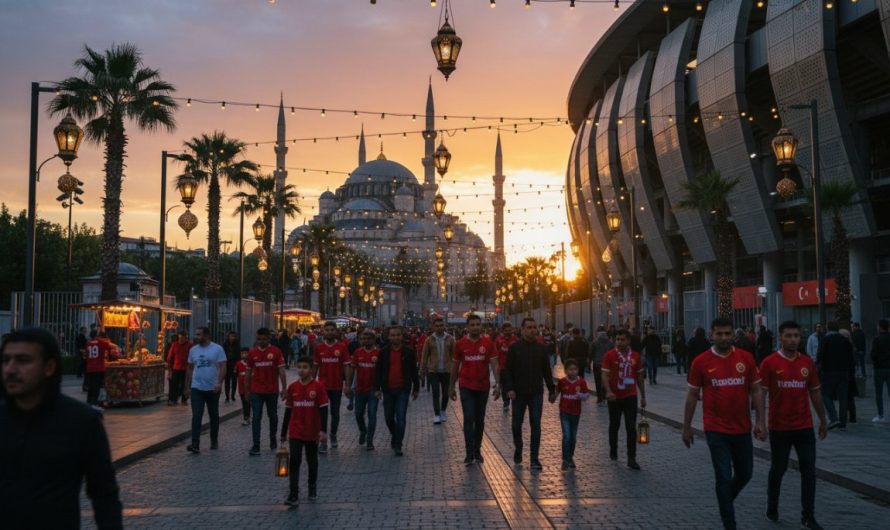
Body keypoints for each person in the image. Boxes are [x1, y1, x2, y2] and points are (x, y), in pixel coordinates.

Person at [0, 327, 122, 529]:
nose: (10, 369)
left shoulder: (82, 422)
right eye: (5, 360)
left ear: (49, 367)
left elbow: (104, 495)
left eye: (23, 360)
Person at [683, 317, 766, 530]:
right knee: (723, 474)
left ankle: (725, 499)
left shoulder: (746, 358)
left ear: (733, 335)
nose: (723, 338)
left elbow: (756, 389)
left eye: (727, 333)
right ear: (711, 334)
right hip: (715, 428)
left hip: (742, 427)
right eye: (719, 334)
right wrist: (687, 426)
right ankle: (729, 522)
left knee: (745, 473)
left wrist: (761, 422)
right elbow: (692, 395)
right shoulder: (701, 362)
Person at [759, 320, 827, 530]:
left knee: (809, 471)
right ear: (780, 337)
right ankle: (772, 505)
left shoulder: (807, 363)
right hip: (780, 427)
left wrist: (823, 420)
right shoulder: (769, 363)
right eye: (788, 336)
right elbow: (761, 393)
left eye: (796, 336)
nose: (792, 340)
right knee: (778, 470)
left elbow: (815, 392)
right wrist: (760, 421)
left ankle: (808, 515)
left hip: (804, 426)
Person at [502, 317, 555, 471]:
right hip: (518, 394)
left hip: (536, 393)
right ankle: (518, 447)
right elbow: (508, 370)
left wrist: (552, 390)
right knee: (516, 425)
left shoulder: (541, 348)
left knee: (536, 425)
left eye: (534, 327)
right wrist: (509, 389)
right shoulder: (514, 348)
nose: (533, 330)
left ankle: (534, 458)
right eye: (529, 327)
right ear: (523, 329)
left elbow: (546, 371)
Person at [449, 314, 499, 465]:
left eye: (478, 324)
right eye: (472, 324)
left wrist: (498, 384)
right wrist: (451, 386)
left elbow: (495, 364)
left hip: (483, 386)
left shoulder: (488, 343)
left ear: (481, 325)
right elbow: (455, 366)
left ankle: (477, 449)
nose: (475, 327)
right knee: (469, 418)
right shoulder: (460, 344)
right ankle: (469, 452)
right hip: (466, 386)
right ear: (467, 327)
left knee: (480, 420)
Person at [280, 356, 329, 507]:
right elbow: (288, 411)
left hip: (312, 430)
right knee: (294, 460)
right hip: (295, 430)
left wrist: (323, 431)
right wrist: (283, 433)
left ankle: (312, 486)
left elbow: (323, 409)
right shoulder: (292, 387)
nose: (301, 370)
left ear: (311, 370)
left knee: (311, 460)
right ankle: (293, 493)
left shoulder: (318, 387)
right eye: (299, 367)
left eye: (305, 367)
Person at [601, 328, 646, 470]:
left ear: (628, 341)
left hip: (630, 396)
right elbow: (604, 375)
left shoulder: (636, 357)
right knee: (614, 425)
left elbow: (639, 378)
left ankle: (631, 458)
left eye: (622, 339)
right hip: (614, 397)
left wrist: (643, 396)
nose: (619, 342)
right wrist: (608, 391)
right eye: (617, 340)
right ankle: (613, 449)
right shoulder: (609, 355)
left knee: (631, 427)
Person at [374, 326, 419, 456]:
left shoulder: (409, 352)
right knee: (388, 417)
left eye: (398, 335)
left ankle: (398, 444)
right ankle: (395, 435)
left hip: (403, 390)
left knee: (401, 418)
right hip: (387, 389)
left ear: (402, 336)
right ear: (389, 337)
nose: (395, 337)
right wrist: (377, 388)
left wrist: (416, 388)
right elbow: (378, 371)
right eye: (393, 335)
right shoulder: (383, 352)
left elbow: (413, 371)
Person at [185, 327, 227, 453]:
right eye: (196, 334)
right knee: (196, 415)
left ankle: (214, 439)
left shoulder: (217, 349)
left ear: (206, 335)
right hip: (197, 388)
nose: (196, 336)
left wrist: (219, 383)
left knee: (213, 415)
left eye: (199, 334)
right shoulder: (193, 350)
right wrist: (187, 387)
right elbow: (190, 368)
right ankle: (195, 443)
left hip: (213, 388)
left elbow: (223, 366)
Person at [246, 327, 287, 455]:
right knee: (256, 417)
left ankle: (273, 437)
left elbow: (281, 371)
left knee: (273, 416)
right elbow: (247, 373)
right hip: (256, 391)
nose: (261, 342)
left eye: (264, 339)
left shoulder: (276, 351)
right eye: (258, 339)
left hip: (272, 390)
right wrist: (247, 391)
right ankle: (256, 445)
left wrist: (284, 388)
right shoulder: (252, 353)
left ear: (269, 339)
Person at [312, 321, 349, 453]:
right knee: (322, 415)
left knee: (335, 413)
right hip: (322, 387)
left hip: (337, 386)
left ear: (336, 331)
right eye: (327, 330)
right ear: (323, 332)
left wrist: (347, 384)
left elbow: (346, 366)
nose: (329, 332)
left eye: (332, 330)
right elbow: (315, 366)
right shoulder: (319, 348)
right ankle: (323, 440)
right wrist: (311, 383)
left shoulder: (342, 347)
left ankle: (333, 434)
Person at [817, 321, 854, 431]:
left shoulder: (825, 339)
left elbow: (820, 355)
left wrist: (819, 366)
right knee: (843, 397)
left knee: (825, 394)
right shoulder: (844, 340)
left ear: (828, 328)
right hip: (843, 372)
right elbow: (850, 357)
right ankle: (842, 423)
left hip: (829, 371)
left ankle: (833, 417)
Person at [348, 329, 380, 450]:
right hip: (359, 389)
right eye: (364, 338)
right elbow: (352, 369)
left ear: (373, 339)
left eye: (369, 338)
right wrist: (348, 386)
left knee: (372, 415)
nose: (366, 340)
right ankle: (363, 430)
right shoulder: (357, 352)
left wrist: (380, 388)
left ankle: (370, 440)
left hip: (373, 390)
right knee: (358, 414)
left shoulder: (378, 353)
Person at [420, 316, 455, 424]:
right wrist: (422, 370)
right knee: (435, 393)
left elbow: (455, 356)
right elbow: (424, 357)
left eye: (441, 325)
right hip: (433, 371)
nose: (439, 328)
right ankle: (436, 414)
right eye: (437, 326)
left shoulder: (450, 339)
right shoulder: (429, 340)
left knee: (445, 393)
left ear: (444, 326)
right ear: (433, 327)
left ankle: (443, 410)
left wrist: (456, 371)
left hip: (446, 371)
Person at [557, 358, 590, 470]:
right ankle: (565, 460)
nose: (573, 371)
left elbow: (586, 395)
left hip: (576, 413)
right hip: (564, 412)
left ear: (578, 370)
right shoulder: (562, 382)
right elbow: (556, 393)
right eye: (570, 369)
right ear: (566, 370)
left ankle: (570, 457)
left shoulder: (581, 382)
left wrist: (580, 395)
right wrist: (552, 396)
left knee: (573, 437)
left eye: (575, 369)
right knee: (567, 435)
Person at [84, 331, 112, 406]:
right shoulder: (101, 343)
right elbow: (110, 346)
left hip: (90, 368)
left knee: (91, 385)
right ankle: (95, 401)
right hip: (99, 368)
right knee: (97, 386)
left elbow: (86, 354)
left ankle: (89, 400)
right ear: (97, 336)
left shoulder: (88, 343)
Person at [872, 319, 890, 422]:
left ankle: (880, 415)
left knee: (878, 393)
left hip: (879, 369)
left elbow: (873, 355)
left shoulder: (877, 339)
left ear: (880, 327)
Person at [166, 332, 192, 405]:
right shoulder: (174, 345)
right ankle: (173, 399)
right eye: (180, 338)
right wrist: (169, 369)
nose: (181, 340)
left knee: (185, 384)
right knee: (174, 384)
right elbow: (170, 357)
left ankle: (184, 399)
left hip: (186, 368)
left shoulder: (189, 345)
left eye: (183, 338)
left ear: (185, 338)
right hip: (176, 368)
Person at [590, 329, 612, 403]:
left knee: (598, 381)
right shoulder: (610, 343)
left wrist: (589, 362)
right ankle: (604, 395)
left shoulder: (595, 342)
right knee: (606, 380)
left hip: (597, 364)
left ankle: (599, 397)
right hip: (607, 365)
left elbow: (591, 353)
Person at [223, 331, 240, 403]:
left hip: (234, 365)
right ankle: (227, 396)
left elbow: (238, 355)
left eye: (234, 336)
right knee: (227, 381)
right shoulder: (225, 344)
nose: (232, 337)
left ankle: (233, 395)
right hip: (227, 365)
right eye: (231, 336)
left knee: (234, 381)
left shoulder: (237, 344)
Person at [235, 347, 251, 425]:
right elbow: (235, 372)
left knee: (247, 402)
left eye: (246, 353)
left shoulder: (251, 363)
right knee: (244, 403)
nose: (244, 355)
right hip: (241, 387)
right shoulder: (238, 363)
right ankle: (246, 416)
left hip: (249, 387)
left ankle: (247, 417)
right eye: (242, 353)